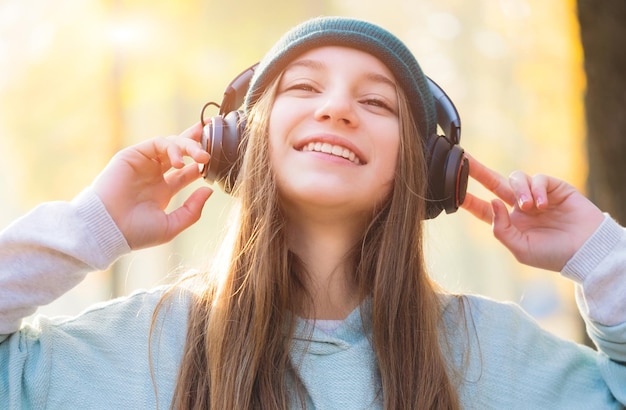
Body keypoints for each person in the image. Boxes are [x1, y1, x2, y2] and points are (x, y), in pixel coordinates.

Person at [1, 16, 625, 410]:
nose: (337, 108)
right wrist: (90, 226)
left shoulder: (492, 351)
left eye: (376, 103)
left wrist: (598, 255)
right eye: (303, 88)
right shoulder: (141, 343)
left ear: (425, 167)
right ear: (239, 142)